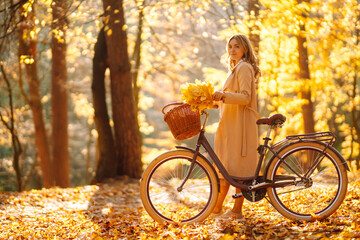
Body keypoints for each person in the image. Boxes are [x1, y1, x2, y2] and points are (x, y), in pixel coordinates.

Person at [212, 34, 261, 219]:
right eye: (230, 46)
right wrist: (214, 100)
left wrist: (223, 95)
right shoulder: (235, 68)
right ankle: (216, 209)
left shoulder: (244, 67)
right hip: (232, 124)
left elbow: (245, 97)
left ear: (245, 49)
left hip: (241, 125)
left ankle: (236, 210)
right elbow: (231, 96)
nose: (232, 50)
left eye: (237, 46)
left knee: (237, 170)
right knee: (226, 169)